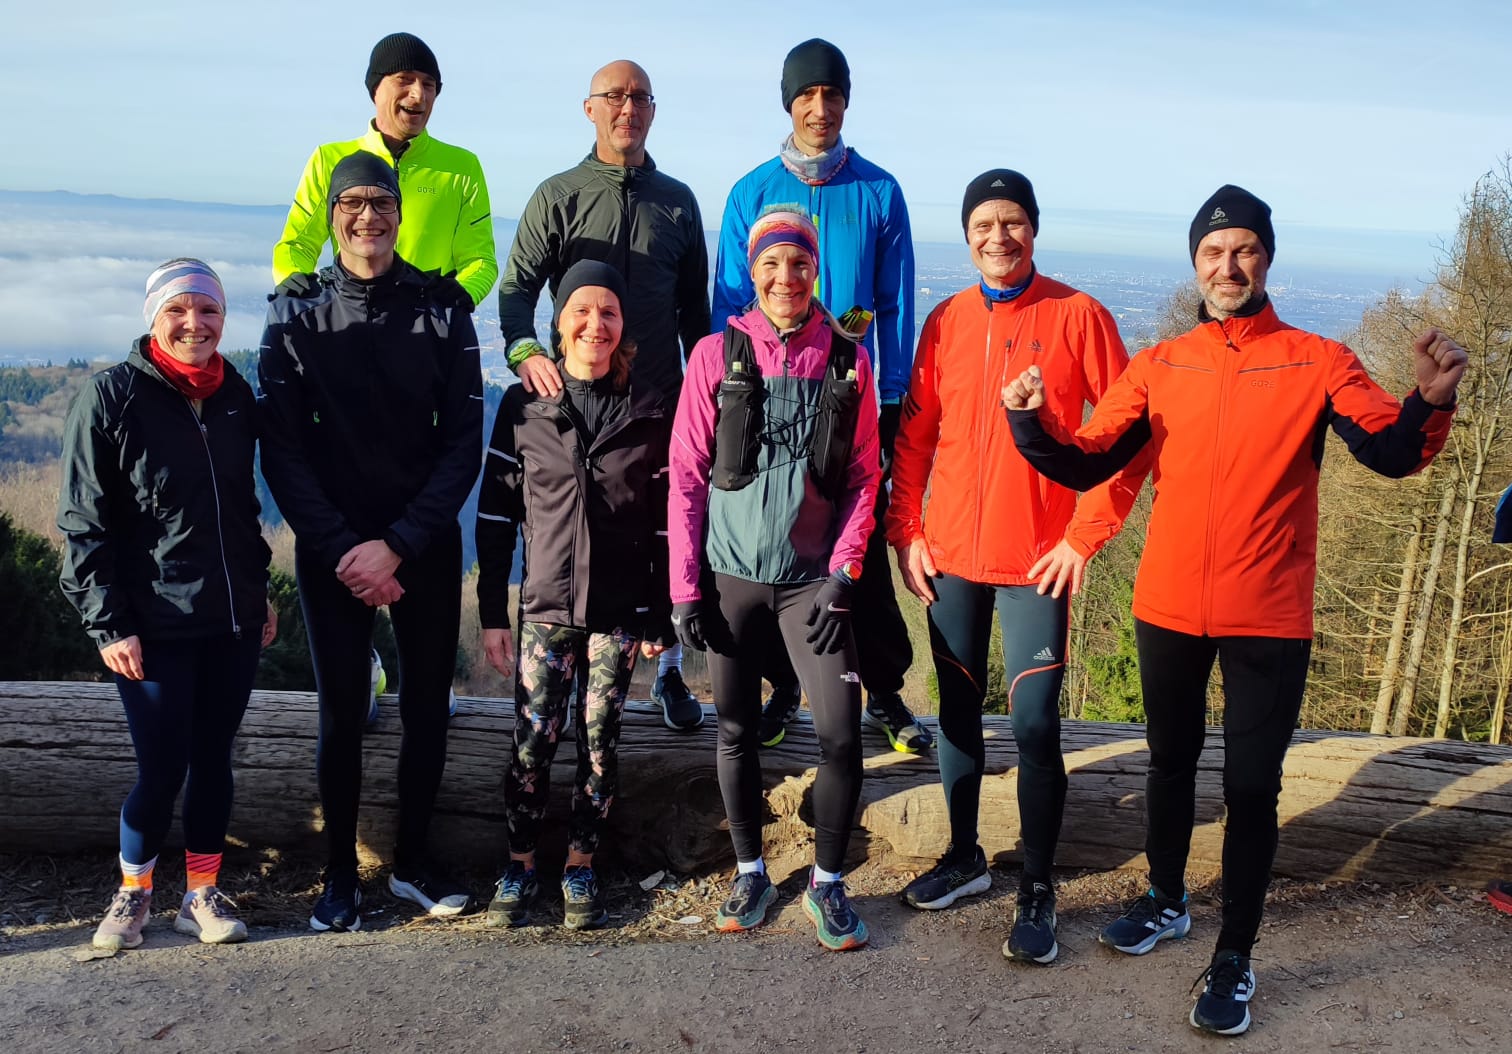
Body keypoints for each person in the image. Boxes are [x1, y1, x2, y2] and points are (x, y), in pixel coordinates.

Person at [1004, 185, 1467, 1035]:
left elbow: (1390, 452)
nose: (1229, 265)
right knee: (1169, 764)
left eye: (1244, 249)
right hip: (1168, 605)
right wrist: (1027, 422)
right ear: (1196, 264)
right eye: (1214, 252)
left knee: (1252, 788)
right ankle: (1166, 898)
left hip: (1269, 612)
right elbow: (1087, 460)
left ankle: (1235, 955)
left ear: (1266, 259)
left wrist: (1429, 401)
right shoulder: (1161, 364)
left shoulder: (1319, 360)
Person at [886, 170, 1146, 965]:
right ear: (967, 236)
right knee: (958, 713)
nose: (998, 236)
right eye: (983, 224)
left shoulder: (1079, 315)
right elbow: (916, 438)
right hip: (951, 557)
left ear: (1034, 228)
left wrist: (1083, 536)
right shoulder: (946, 321)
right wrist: (906, 530)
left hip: (1038, 560)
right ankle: (964, 857)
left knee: (1034, 724)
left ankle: (1037, 888)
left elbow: (1129, 437)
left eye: (1012, 221)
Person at [259, 152, 484, 932]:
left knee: (426, 707)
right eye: (351, 203)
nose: (367, 217)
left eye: (381, 203)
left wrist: (399, 544)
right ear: (331, 217)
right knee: (341, 711)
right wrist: (344, 548)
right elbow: (281, 448)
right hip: (333, 547)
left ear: (399, 213)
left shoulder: (442, 309)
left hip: (422, 544)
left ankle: (413, 862)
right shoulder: (296, 312)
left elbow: (463, 442)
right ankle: (338, 877)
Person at [668, 209, 881, 950]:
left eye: (798, 263)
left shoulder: (847, 359)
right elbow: (687, 477)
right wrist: (684, 588)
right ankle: (751, 870)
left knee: (840, 737)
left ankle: (827, 882)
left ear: (815, 270)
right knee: (733, 728)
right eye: (770, 264)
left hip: (811, 585)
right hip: (729, 576)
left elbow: (864, 478)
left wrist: (845, 572)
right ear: (752, 271)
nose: (785, 278)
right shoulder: (715, 355)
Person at [714, 39, 927, 753]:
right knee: (779, 540)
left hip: (850, 394)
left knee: (857, 542)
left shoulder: (879, 191)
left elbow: (894, 304)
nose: (820, 107)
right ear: (789, 102)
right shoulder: (750, 192)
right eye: (806, 94)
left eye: (832, 94)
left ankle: (885, 690)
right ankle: (783, 687)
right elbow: (729, 303)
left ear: (846, 101)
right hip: (768, 394)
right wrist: (729, 395)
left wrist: (892, 396)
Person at [58, 259, 276, 951]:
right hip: (151, 625)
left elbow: (240, 509)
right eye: (178, 310)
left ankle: (200, 894)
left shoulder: (235, 394)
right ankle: (134, 892)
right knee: (161, 768)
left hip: (232, 618)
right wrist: (108, 624)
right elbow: (82, 524)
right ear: (154, 318)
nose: (194, 324)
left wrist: (259, 589)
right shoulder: (112, 397)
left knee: (213, 759)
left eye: (208, 310)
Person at [497, 59, 710, 733]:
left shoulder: (677, 201)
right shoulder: (558, 194)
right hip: (578, 403)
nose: (628, 107)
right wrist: (526, 353)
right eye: (614, 96)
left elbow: (694, 310)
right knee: (577, 530)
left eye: (640, 97)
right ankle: (558, 679)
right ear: (589, 108)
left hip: (659, 402)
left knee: (666, 530)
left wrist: (703, 390)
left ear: (653, 110)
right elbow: (516, 289)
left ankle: (669, 670)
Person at [476, 260, 674, 930]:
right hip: (545, 609)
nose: (596, 324)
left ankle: (581, 866)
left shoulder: (649, 409)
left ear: (624, 326)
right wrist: (492, 615)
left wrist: (660, 611)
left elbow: (664, 523)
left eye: (608, 312)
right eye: (581, 311)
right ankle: (519, 865)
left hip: (619, 613)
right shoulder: (522, 407)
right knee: (532, 744)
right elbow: (495, 518)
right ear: (558, 324)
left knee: (598, 745)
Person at [273, 31, 496, 310]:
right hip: (348, 316)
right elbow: (297, 245)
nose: (418, 94)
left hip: (427, 322)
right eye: (405, 79)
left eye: (429, 85)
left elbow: (480, 260)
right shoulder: (329, 160)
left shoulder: (462, 167)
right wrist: (294, 279)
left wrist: (462, 293)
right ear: (375, 89)